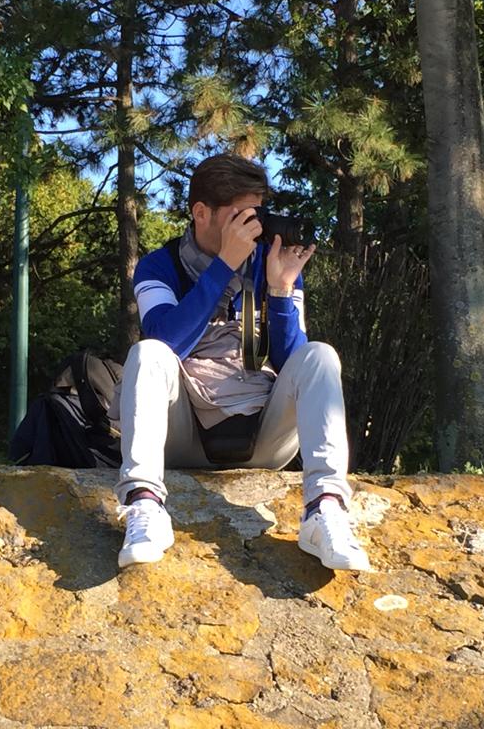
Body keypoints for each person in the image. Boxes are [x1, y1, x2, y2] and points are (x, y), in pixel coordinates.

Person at [111, 153, 371, 572]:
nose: (253, 228)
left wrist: (281, 289)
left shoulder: (269, 263)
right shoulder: (158, 266)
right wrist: (224, 267)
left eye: (257, 215)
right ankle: (144, 504)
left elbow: (293, 362)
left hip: (263, 435)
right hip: (185, 436)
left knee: (320, 354)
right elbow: (165, 338)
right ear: (201, 213)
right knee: (147, 352)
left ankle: (324, 509)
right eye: (240, 216)